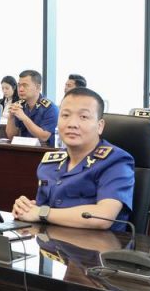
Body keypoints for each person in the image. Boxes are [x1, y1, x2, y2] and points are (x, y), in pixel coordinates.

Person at [12, 87, 134, 230]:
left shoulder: (115, 161)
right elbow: (40, 210)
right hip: (51, 241)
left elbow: (103, 217)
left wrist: (42, 213)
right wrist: (26, 209)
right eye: (65, 115)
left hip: (97, 243)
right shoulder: (50, 162)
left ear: (100, 126)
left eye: (83, 117)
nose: (72, 124)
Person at [5, 69, 59, 144]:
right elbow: (11, 136)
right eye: (19, 85)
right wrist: (11, 117)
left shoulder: (50, 108)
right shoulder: (20, 105)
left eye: (25, 85)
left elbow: (44, 137)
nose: (20, 89)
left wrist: (24, 117)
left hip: (43, 149)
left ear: (38, 87)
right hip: (23, 148)